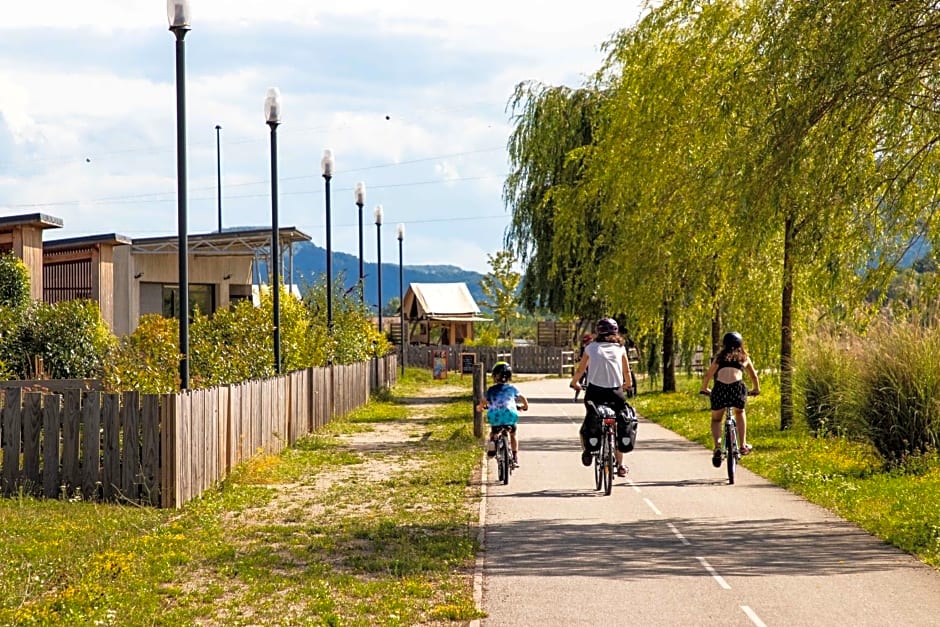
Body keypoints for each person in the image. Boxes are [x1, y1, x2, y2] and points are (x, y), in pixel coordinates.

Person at [569, 318, 634, 477]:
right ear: (615, 332)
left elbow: (581, 370)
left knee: (592, 418)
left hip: (594, 392)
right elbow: (626, 372)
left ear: (598, 332)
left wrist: (574, 383)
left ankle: (589, 449)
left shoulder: (590, 348)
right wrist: (627, 384)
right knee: (619, 422)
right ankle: (620, 465)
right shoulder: (620, 348)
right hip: (615, 393)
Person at [700, 331, 760, 467]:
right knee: (739, 412)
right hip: (737, 389)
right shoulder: (744, 357)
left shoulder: (720, 357)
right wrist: (756, 389)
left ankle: (717, 447)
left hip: (720, 389)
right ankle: (743, 444)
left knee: (716, 419)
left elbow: (708, 375)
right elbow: (753, 376)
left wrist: (705, 389)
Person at [476, 361, 529, 467]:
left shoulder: (491, 390)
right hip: (510, 415)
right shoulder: (512, 388)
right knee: (513, 434)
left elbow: (484, 401)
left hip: (495, 416)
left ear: (495, 376)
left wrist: (480, 408)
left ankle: (492, 447)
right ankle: (514, 457)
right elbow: (522, 398)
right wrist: (525, 406)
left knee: (493, 433)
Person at [573, 333, 593, 401]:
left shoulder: (593, 348)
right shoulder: (583, 348)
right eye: (585, 343)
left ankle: (589, 396)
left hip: (591, 367)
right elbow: (581, 357)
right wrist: (578, 359)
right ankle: (576, 396)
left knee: (589, 381)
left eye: (588, 342)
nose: (586, 344)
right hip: (584, 367)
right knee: (580, 379)